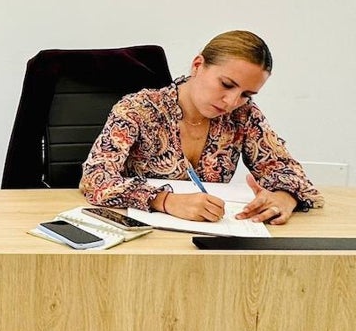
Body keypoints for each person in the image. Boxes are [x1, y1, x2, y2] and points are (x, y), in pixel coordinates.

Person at [80, 30, 322, 224]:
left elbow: (287, 170)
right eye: (226, 84)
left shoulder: (243, 114)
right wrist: (165, 201)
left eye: (246, 94)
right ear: (197, 65)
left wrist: (284, 197)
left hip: (211, 238)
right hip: (142, 238)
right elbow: (94, 178)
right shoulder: (138, 109)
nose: (232, 102)